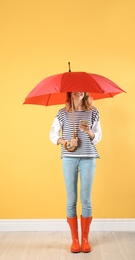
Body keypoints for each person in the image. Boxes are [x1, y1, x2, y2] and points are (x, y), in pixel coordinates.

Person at [49, 92, 102, 253]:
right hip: (69, 159)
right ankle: (75, 240)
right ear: (70, 92)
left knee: (86, 199)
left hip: (88, 158)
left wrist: (89, 132)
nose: (80, 91)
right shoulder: (62, 113)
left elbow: (98, 136)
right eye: (76, 88)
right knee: (71, 199)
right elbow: (52, 135)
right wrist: (66, 141)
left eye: (83, 88)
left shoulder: (93, 112)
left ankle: (85, 240)